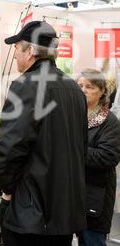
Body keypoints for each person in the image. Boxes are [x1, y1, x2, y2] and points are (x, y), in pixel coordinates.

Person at [0, 20, 88, 246]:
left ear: (31, 51)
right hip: (64, 211)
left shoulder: (24, 85)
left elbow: (12, 147)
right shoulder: (74, 88)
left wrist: (7, 190)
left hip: (31, 212)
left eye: (17, 48)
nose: (15, 54)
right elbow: (81, 146)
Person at [76, 69, 120, 246]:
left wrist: (74, 149)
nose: (83, 90)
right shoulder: (74, 118)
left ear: (102, 91)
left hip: (96, 197)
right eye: (79, 86)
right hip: (75, 196)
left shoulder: (110, 122)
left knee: (92, 240)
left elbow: (107, 157)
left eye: (89, 86)